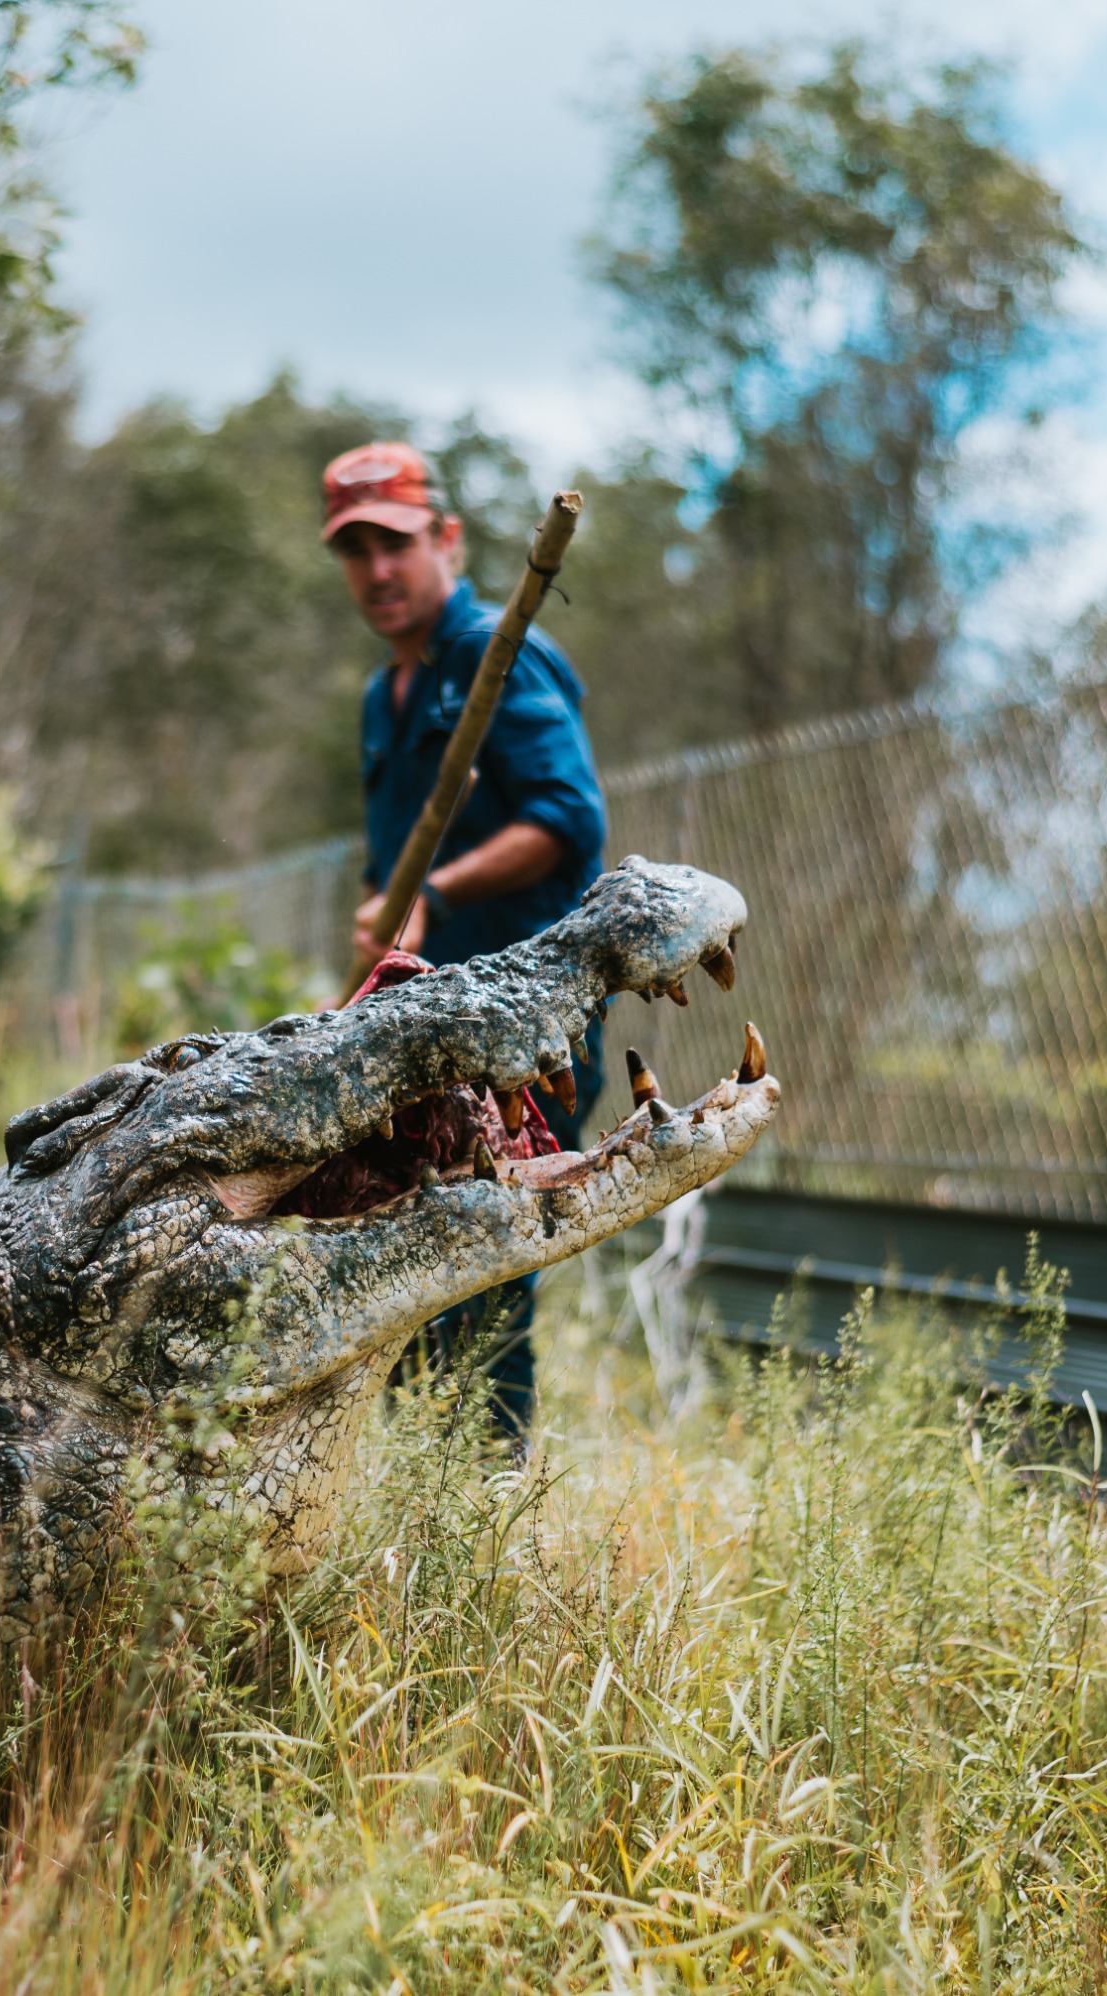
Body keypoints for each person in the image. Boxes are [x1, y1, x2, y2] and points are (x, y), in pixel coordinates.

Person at [324, 440, 608, 1448]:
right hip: (421, 1036)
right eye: (355, 551)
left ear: (445, 538)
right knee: (402, 1273)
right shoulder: (383, 697)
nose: (378, 571)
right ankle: (414, 1495)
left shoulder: (501, 653)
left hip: (526, 1027)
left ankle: (482, 1506)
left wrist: (434, 894)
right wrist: (381, 911)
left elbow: (570, 820)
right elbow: (389, 859)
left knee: (485, 1277)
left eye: (394, 544)